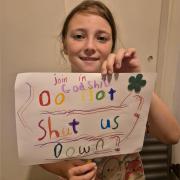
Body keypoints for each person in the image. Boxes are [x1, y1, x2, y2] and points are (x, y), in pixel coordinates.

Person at [40, 0, 180, 179]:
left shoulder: (125, 90)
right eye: (79, 36)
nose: (90, 46)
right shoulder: (50, 96)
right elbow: (38, 151)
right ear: (64, 45)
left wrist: (137, 82)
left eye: (101, 38)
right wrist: (62, 169)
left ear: (111, 46)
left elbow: (172, 135)